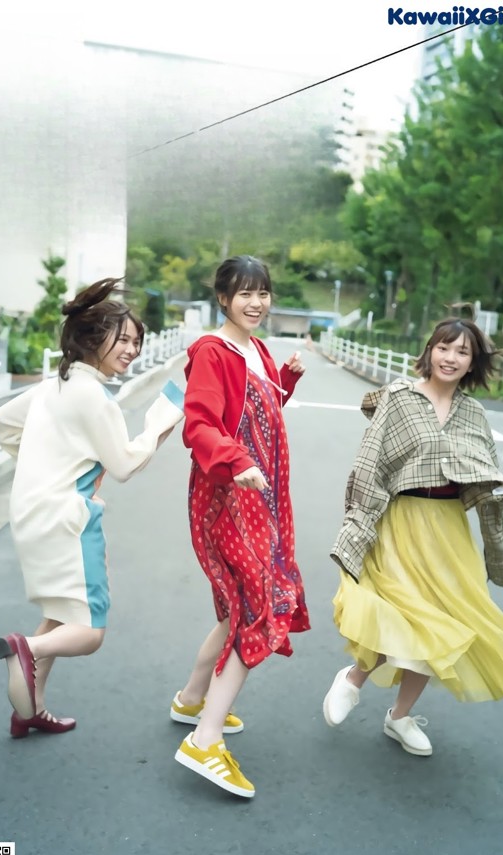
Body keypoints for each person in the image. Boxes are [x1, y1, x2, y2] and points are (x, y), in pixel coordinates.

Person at [322, 317, 503, 756]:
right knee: (394, 610)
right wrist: (357, 524)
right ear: (430, 351)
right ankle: (353, 678)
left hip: (449, 529)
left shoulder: (474, 414)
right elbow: (370, 464)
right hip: (400, 520)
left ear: (473, 363)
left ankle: (400, 716)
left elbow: (483, 471)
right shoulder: (399, 399)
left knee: (440, 624)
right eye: (445, 348)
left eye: (462, 352)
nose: (451, 358)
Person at [0, 277, 184, 738]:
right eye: (125, 340)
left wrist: (45, 468)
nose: (133, 350)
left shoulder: (57, 384)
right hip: (68, 520)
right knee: (90, 631)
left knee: (60, 611)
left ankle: (30, 709)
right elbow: (123, 464)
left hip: (32, 512)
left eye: (138, 342)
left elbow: (3, 423)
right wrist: (168, 412)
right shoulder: (95, 397)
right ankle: (26, 649)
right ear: (94, 338)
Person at [172, 255, 310, 798]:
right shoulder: (212, 350)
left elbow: (262, 406)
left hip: (261, 491)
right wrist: (237, 462)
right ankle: (205, 740)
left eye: (264, 292)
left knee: (238, 607)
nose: (256, 302)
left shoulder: (256, 349)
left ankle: (190, 700)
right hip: (231, 493)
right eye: (244, 293)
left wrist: (288, 380)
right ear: (223, 298)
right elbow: (200, 423)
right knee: (258, 605)